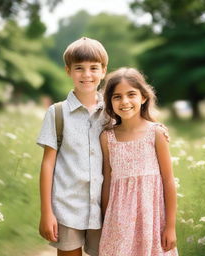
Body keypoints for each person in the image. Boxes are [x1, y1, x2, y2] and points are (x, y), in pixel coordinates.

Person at [36, 37, 108, 256]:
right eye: (79, 68)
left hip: (105, 207)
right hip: (67, 207)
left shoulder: (112, 112)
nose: (87, 74)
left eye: (93, 68)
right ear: (68, 71)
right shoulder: (57, 113)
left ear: (103, 71)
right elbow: (48, 164)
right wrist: (46, 212)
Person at [99, 67, 178, 256]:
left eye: (131, 94)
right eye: (117, 96)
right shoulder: (107, 138)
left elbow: (168, 181)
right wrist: (104, 222)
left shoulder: (156, 133)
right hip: (118, 222)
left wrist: (170, 226)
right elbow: (107, 183)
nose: (124, 101)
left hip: (152, 221)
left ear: (143, 97)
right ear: (110, 101)